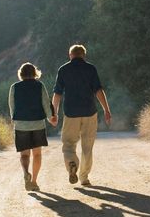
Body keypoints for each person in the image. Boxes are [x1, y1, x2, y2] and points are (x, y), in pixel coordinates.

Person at [51, 43, 111, 187]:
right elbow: (98, 90)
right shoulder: (90, 68)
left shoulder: (63, 69)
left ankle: (72, 163)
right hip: (89, 112)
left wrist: (54, 113)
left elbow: (57, 93)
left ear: (70, 55)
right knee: (87, 146)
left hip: (71, 113)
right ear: (84, 55)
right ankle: (84, 177)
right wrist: (106, 109)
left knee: (68, 144)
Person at [8, 62, 57, 191]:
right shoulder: (39, 85)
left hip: (21, 125)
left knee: (24, 155)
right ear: (35, 73)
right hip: (37, 125)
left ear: (21, 74)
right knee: (37, 155)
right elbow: (46, 103)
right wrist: (51, 118)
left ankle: (26, 173)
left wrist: (14, 119)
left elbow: (12, 106)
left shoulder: (14, 87)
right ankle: (34, 181)